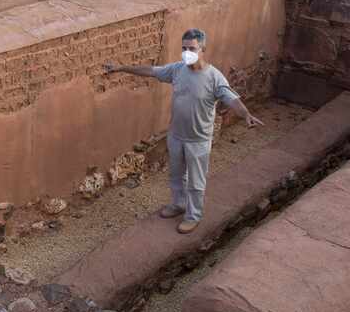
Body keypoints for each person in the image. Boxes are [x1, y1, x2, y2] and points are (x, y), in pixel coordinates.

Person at [104, 28, 263, 234]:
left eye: (192, 48)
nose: (187, 52)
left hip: (198, 140)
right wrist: (120, 68)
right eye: (184, 48)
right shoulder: (177, 69)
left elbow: (232, 98)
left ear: (202, 49)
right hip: (176, 136)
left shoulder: (214, 78)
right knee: (176, 175)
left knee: (196, 181)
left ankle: (193, 215)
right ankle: (179, 204)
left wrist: (246, 115)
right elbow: (151, 70)